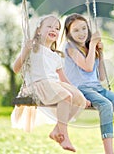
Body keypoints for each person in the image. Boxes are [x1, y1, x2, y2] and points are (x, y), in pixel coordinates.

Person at [63, 13, 114, 154]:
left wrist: (100, 53)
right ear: (69, 34)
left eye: (84, 28)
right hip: (82, 90)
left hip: (98, 88)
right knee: (106, 105)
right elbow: (87, 67)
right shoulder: (70, 48)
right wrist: (94, 43)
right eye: (76, 30)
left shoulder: (89, 49)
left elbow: (101, 77)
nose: (81, 33)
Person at [11, 14, 90, 152]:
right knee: (66, 96)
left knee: (79, 99)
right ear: (39, 30)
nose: (54, 29)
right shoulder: (33, 48)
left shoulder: (56, 56)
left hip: (54, 85)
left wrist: (80, 95)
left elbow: (63, 79)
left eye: (57, 28)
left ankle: (56, 130)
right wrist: (25, 50)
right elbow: (16, 69)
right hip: (37, 85)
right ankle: (64, 136)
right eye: (49, 26)